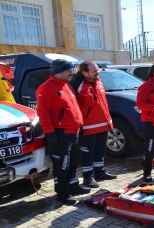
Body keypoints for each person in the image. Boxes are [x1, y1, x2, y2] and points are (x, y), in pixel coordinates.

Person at [36, 59, 89, 205]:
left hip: (73, 131)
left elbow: (72, 107)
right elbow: (43, 113)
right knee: (62, 164)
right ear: (58, 71)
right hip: (60, 134)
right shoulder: (45, 88)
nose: (71, 73)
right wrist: (50, 133)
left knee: (73, 161)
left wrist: (80, 124)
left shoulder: (66, 85)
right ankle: (62, 194)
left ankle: (72, 186)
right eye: (68, 70)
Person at [71, 61, 117, 188]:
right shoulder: (77, 84)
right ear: (85, 72)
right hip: (88, 126)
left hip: (103, 124)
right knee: (88, 153)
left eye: (98, 71)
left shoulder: (98, 82)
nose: (98, 73)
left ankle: (99, 172)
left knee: (100, 150)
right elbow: (73, 106)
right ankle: (88, 178)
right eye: (94, 71)